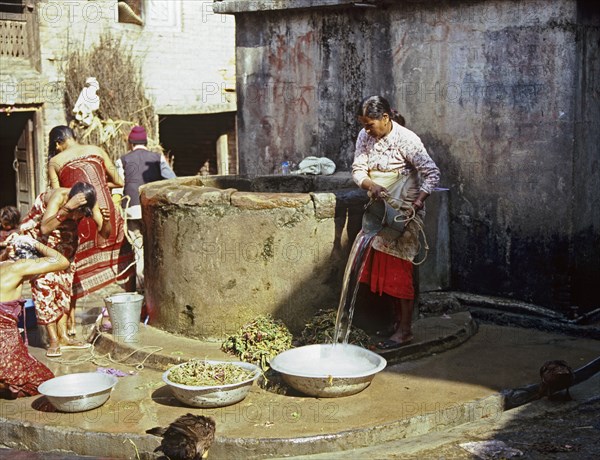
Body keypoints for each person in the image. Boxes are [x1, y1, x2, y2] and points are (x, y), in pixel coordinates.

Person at [352, 95, 440, 351]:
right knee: (381, 268)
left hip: (404, 211)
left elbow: (432, 172)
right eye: (364, 124)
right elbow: (358, 169)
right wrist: (371, 184)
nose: (366, 130)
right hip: (379, 208)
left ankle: (405, 331)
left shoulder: (407, 140)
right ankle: (394, 323)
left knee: (398, 271)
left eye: (370, 124)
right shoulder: (364, 136)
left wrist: (418, 202)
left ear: (385, 118)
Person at [46, 125, 133, 335]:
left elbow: (57, 191)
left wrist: (80, 191)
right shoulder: (97, 150)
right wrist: (99, 185)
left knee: (73, 267)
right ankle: (131, 313)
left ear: (58, 143)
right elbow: (119, 181)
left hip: (80, 216)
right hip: (106, 212)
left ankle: (71, 324)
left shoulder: (55, 161)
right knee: (125, 259)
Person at [19, 182, 112, 357]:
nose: (78, 217)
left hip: (65, 236)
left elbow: (105, 234)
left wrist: (106, 221)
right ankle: (53, 339)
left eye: (81, 214)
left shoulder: (90, 202)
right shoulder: (59, 197)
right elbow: (45, 228)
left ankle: (63, 338)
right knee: (44, 284)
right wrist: (67, 209)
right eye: (77, 212)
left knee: (63, 283)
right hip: (40, 236)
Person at [0, 234, 69, 398]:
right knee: (43, 381)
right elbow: (62, 261)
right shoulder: (19, 266)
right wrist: (34, 242)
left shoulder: (3, 265)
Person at [115, 125, 176, 292]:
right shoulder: (157, 158)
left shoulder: (123, 160)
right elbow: (172, 179)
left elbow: (119, 185)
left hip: (131, 208)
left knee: (139, 248)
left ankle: (142, 290)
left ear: (131, 143)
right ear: (146, 142)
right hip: (152, 209)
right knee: (156, 246)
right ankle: (159, 289)